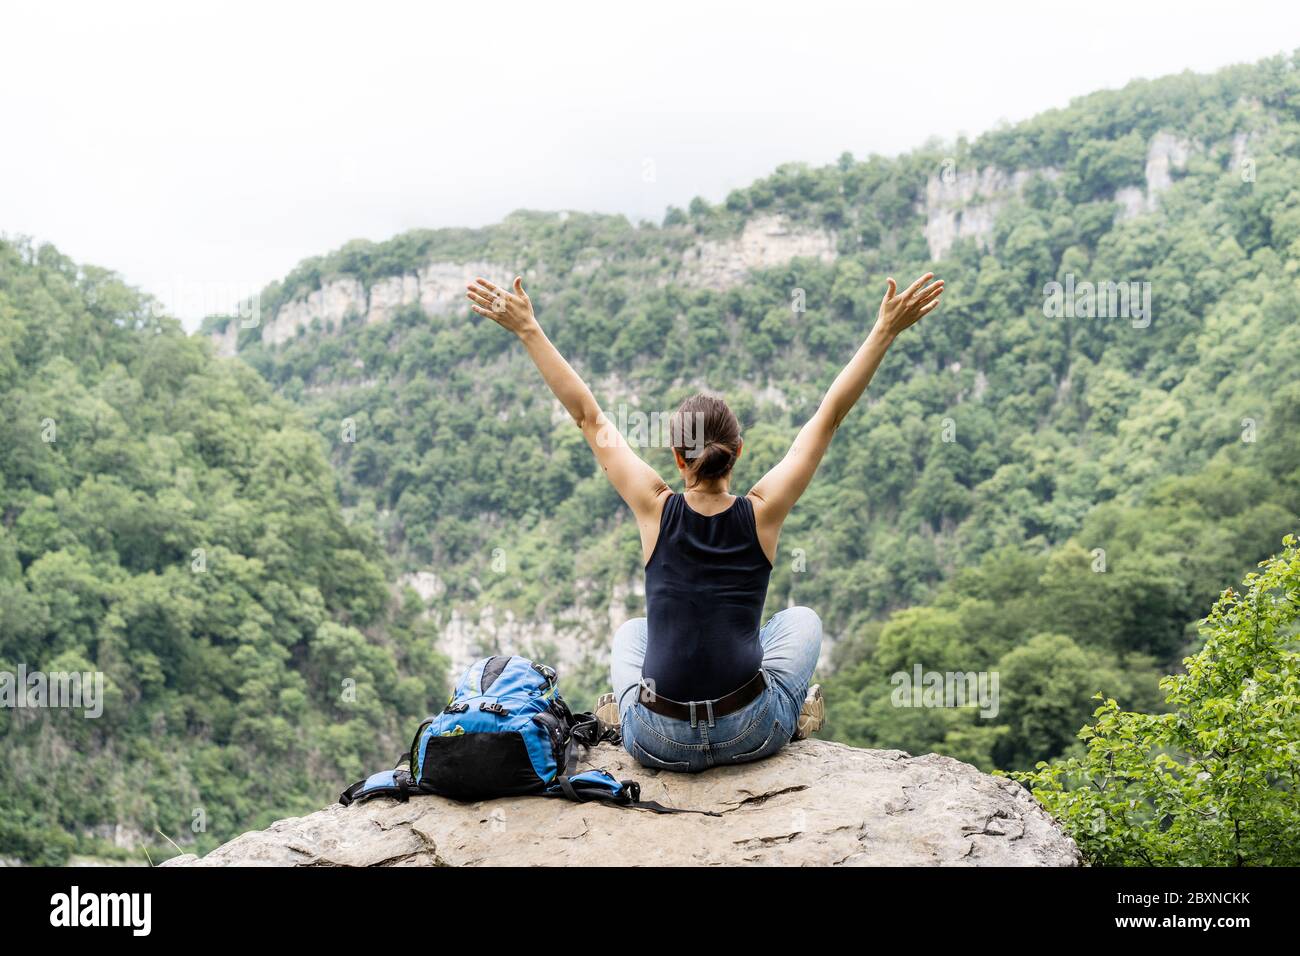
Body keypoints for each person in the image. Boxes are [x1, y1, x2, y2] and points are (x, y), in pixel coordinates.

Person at [466, 271, 944, 772]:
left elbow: (588, 415)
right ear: (738, 452)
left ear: (677, 457)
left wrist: (528, 329)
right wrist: (885, 330)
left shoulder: (654, 506)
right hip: (750, 731)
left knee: (632, 632)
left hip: (657, 741)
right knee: (800, 620)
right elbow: (827, 418)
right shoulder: (763, 511)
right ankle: (790, 715)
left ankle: (623, 714)